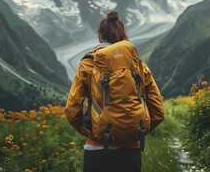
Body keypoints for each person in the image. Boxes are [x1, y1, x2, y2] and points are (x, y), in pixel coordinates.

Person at [65, 11, 164, 172]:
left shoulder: (89, 63)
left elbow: (71, 110)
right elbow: (158, 112)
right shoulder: (137, 64)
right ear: (122, 35)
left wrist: (92, 132)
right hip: (131, 150)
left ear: (99, 36)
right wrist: (134, 132)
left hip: (96, 150)